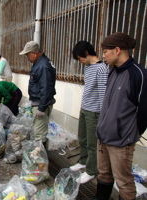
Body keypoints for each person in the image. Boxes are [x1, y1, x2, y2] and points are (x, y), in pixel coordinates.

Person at [93, 32, 147, 200]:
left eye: (105, 52)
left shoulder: (138, 74)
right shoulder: (113, 72)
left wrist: (130, 134)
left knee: (123, 181)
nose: (103, 56)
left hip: (121, 141)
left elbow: (144, 111)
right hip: (104, 137)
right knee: (103, 174)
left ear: (117, 50)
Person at [69, 41, 109, 184]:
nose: (80, 62)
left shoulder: (102, 69)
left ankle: (91, 171)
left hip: (95, 112)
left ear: (86, 53)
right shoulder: (88, 67)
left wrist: (103, 117)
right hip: (85, 109)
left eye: (80, 58)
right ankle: (83, 161)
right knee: (83, 139)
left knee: (93, 143)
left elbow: (103, 94)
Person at [19, 41, 56, 145]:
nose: (27, 59)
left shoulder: (43, 66)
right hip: (38, 102)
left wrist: (41, 108)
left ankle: (40, 159)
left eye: (27, 55)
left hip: (41, 104)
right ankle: (40, 156)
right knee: (39, 132)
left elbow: (46, 89)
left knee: (39, 136)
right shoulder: (39, 64)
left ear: (34, 53)